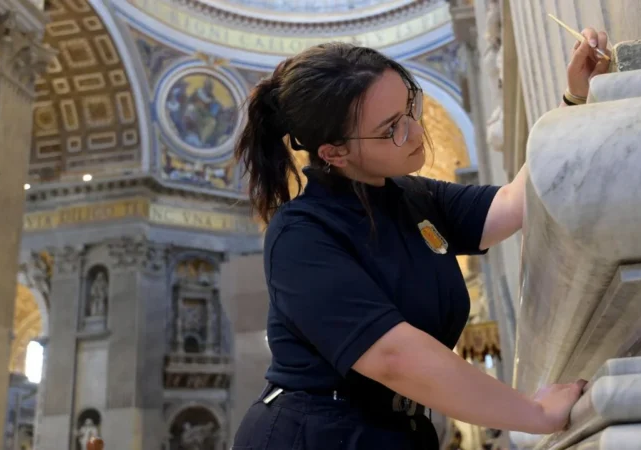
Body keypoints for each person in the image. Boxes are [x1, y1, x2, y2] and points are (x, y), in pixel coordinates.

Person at [232, 27, 610, 449]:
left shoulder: (412, 195)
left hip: (399, 430)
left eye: (410, 107)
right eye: (391, 127)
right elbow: (394, 357)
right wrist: (533, 413)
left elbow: (510, 204)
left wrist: (574, 100)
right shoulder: (300, 235)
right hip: (315, 435)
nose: (415, 132)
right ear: (333, 153)